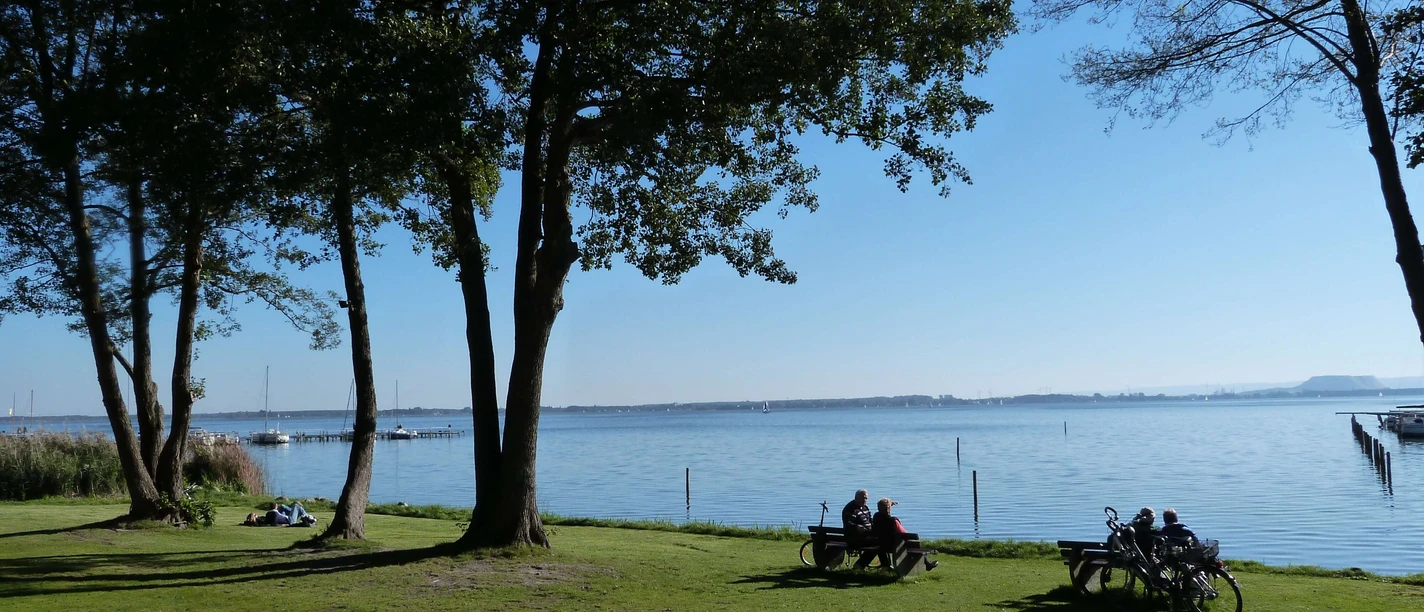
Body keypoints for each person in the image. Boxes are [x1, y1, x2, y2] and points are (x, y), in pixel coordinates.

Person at [871, 498, 938, 571]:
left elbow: (883, 512)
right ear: (888, 509)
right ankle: (927, 564)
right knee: (913, 542)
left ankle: (927, 563)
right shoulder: (893, 521)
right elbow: (904, 533)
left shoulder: (876, 517)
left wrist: (889, 505)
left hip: (882, 544)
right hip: (895, 545)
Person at [841, 489, 875, 568]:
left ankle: (885, 566)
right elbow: (848, 524)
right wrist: (856, 527)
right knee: (877, 545)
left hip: (867, 535)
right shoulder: (851, 509)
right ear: (856, 498)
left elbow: (870, 520)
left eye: (866, 498)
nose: (864, 500)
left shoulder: (865, 508)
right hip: (855, 538)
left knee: (880, 541)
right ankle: (859, 564)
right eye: (862, 498)